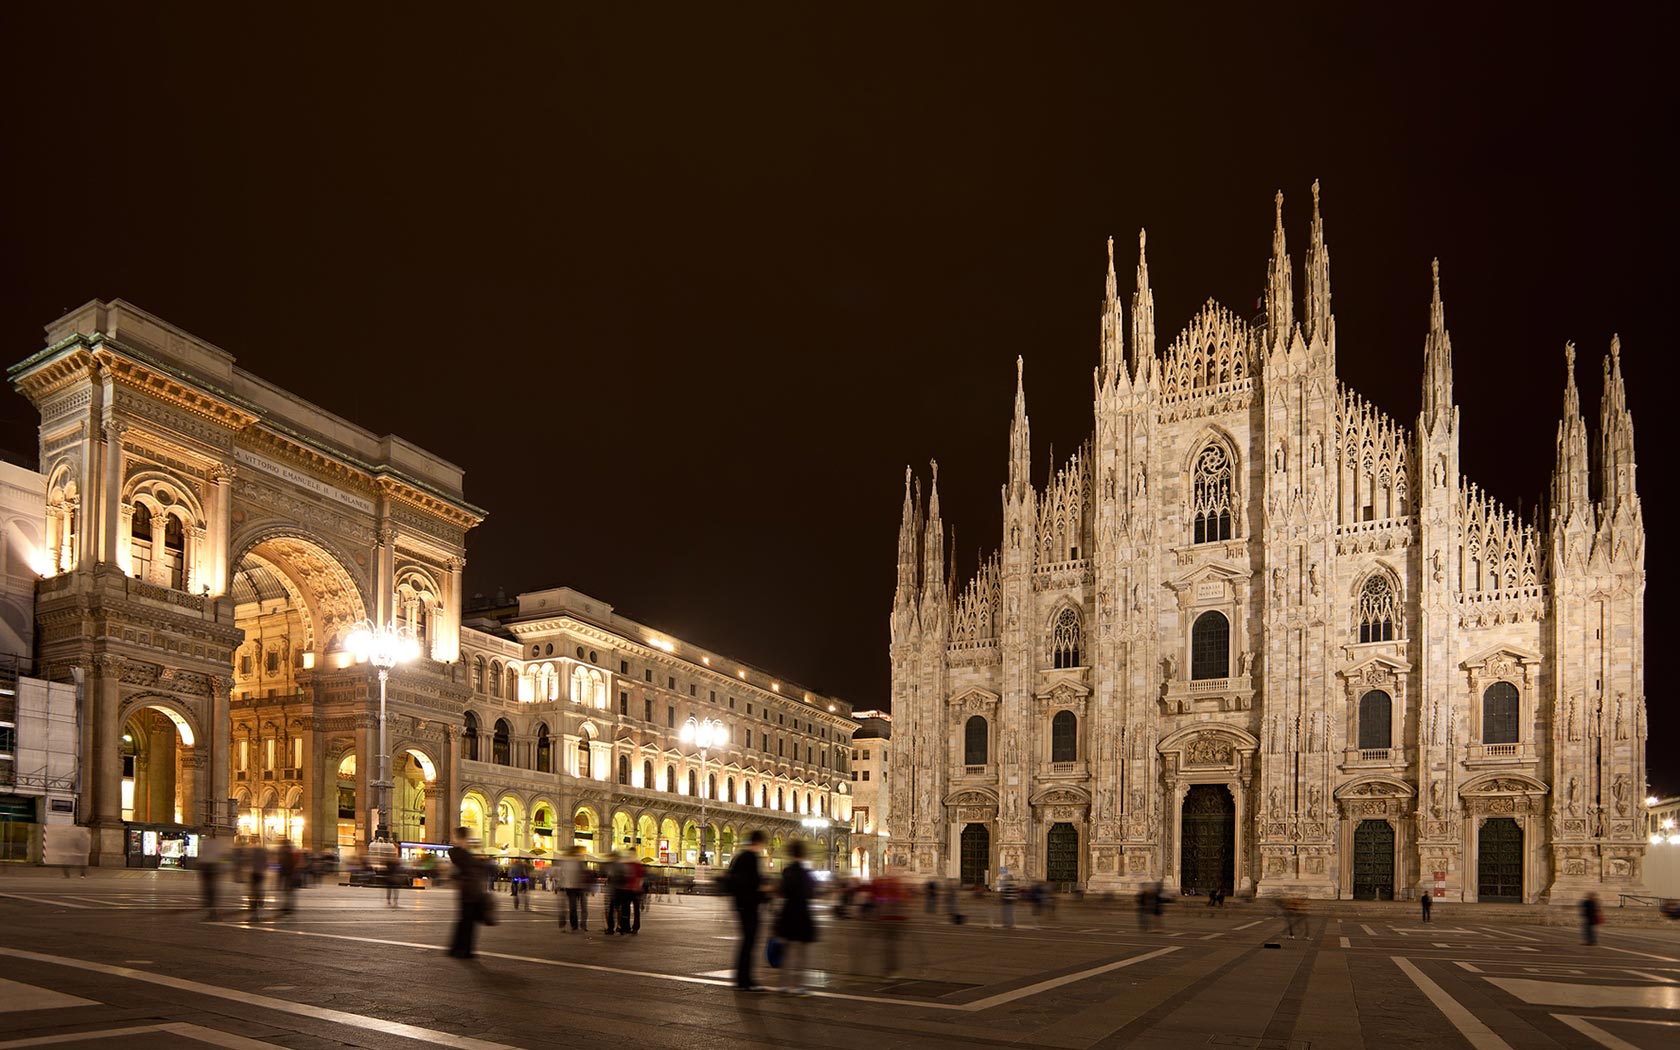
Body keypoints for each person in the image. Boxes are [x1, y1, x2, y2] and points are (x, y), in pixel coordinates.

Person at [725, 829, 769, 990]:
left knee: (746, 941)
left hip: (741, 904)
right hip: (749, 905)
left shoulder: (739, 857)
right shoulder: (751, 858)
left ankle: (742, 978)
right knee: (749, 941)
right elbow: (752, 883)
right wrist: (764, 893)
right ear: (758, 843)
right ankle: (745, 980)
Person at [775, 839, 817, 995]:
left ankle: (784, 984)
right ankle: (798, 985)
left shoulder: (786, 871)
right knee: (801, 952)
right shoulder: (806, 873)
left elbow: (781, 891)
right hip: (802, 913)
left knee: (787, 950)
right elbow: (811, 892)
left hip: (787, 913)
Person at [448, 827, 487, 959]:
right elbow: (475, 866)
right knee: (467, 921)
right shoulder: (459, 853)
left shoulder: (463, 854)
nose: (468, 841)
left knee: (466, 921)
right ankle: (464, 949)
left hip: (471, 891)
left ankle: (459, 948)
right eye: (466, 838)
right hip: (469, 892)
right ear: (462, 838)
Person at [558, 845, 589, 931]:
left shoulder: (578, 861)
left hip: (578, 887)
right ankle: (575, 925)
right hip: (571, 887)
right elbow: (562, 874)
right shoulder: (568, 861)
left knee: (580, 908)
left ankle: (581, 925)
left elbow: (584, 873)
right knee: (574, 907)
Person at [198, 832, 228, 922]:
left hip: (207, 867)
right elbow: (222, 857)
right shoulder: (217, 844)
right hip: (212, 867)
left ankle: (213, 912)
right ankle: (213, 912)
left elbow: (202, 855)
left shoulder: (205, 843)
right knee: (212, 891)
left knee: (209, 891)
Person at [603, 853, 627, 934]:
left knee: (611, 910)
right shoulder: (622, 866)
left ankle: (611, 928)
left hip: (614, 891)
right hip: (621, 891)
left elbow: (610, 878)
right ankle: (620, 927)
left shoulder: (612, 866)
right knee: (619, 909)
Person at [623, 853, 645, 934]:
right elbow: (641, 878)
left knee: (627, 909)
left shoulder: (627, 864)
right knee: (636, 910)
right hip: (635, 890)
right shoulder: (638, 865)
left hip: (628, 889)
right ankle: (635, 927)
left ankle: (627, 927)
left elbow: (624, 877)